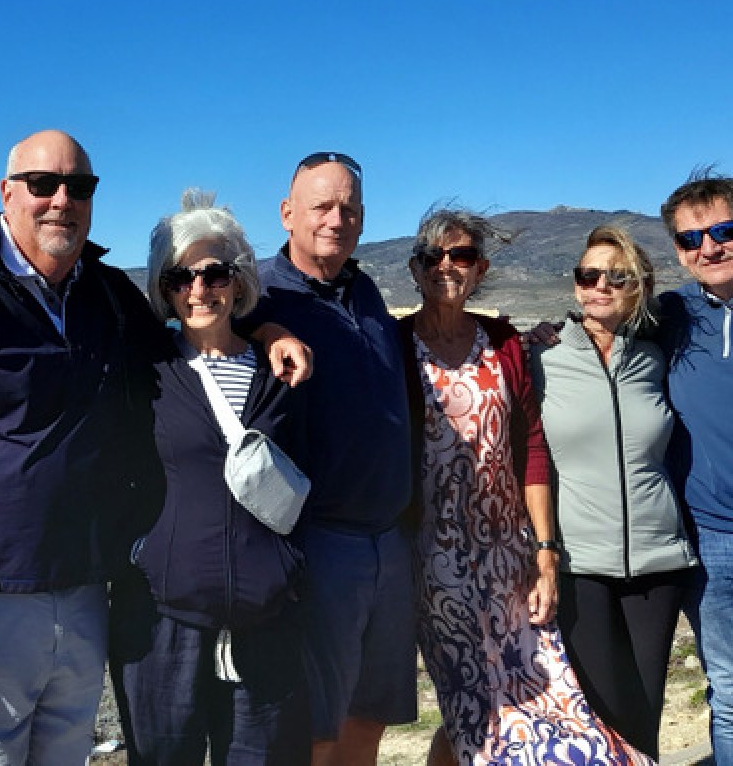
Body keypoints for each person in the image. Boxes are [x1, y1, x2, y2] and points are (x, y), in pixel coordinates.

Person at [0, 129, 310, 765]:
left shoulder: (105, 295)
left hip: (79, 605)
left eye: (79, 186)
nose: (61, 200)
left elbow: (195, 337)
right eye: (42, 184)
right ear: (7, 192)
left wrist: (266, 328)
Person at [398, 207, 653, 765]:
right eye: (432, 257)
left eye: (461, 256)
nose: (447, 266)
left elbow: (532, 448)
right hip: (432, 560)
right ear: (415, 271)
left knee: (551, 695)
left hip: (509, 554)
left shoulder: (504, 342)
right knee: (472, 705)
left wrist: (543, 552)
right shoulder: (393, 345)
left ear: (480, 269)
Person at [110, 189, 311, 765]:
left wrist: (288, 568)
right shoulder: (146, 371)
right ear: (165, 290)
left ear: (240, 279)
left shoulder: (282, 373)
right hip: (161, 623)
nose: (199, 290)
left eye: (215, 273)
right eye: (180, 278)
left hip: (266, 621)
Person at [249, 151, 416, 766]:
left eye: (348, 207)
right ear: (288, 213)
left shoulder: (365, 289)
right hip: (321, 542)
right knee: (317, 727)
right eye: (321, 205)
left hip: (389, 540)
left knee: (371, 715)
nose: (335, 218)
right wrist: (265, 330)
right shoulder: (258, 296)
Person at [529, 224, 696, 760]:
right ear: (576, 284)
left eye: (617, 276)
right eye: (588, 274)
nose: (600, 285)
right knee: (601, 720)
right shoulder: (542, 360)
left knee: (646, 713)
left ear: (639, 286)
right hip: (581, 566)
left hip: (660, 561)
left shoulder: (657, 357)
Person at [659, 168, 733, 764]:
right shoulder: (669, 316)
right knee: (732, 694)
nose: (709, 247)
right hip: (712, 538)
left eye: (724, 229)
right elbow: (604, 328)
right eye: (691, 238)